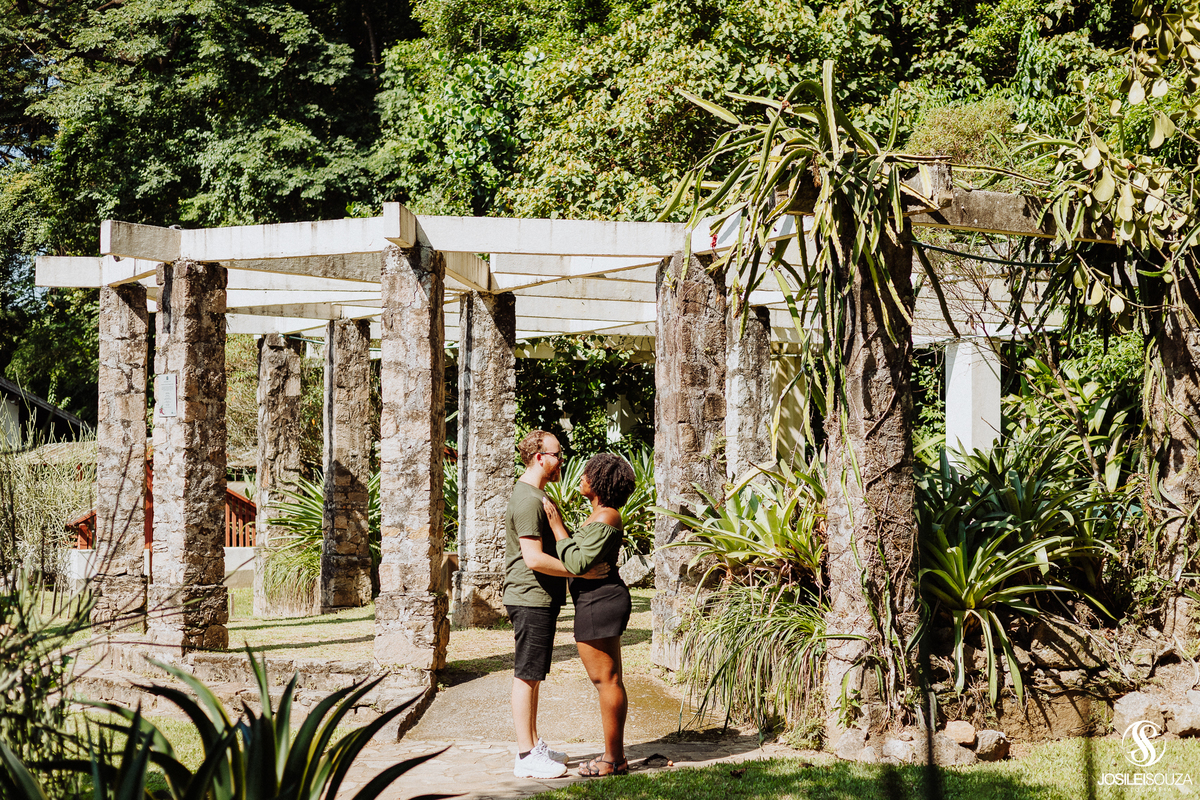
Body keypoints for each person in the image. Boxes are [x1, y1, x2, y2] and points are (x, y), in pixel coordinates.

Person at [504, 430, 609, 780]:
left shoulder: (536, 495)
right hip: (529, 596)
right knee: (527, 675)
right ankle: (525, 755)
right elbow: (533, 558)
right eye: (557, 453)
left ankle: (533, 745)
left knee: (534, 674)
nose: (562, 459)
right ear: (539, 457)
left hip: (539, 598)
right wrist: (583, 572)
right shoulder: (529, 500)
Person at [542, 452, 636, 778]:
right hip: (594, 601)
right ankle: (616, 757)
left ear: (600, 482)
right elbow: (579, 559)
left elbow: (577, 563)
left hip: (601, 600)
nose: (580, 477)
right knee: (607, 681)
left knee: (606, 681)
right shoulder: (598, 516)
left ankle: (613, 759)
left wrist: (556, 526)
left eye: (586, 474)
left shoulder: (607, 517)